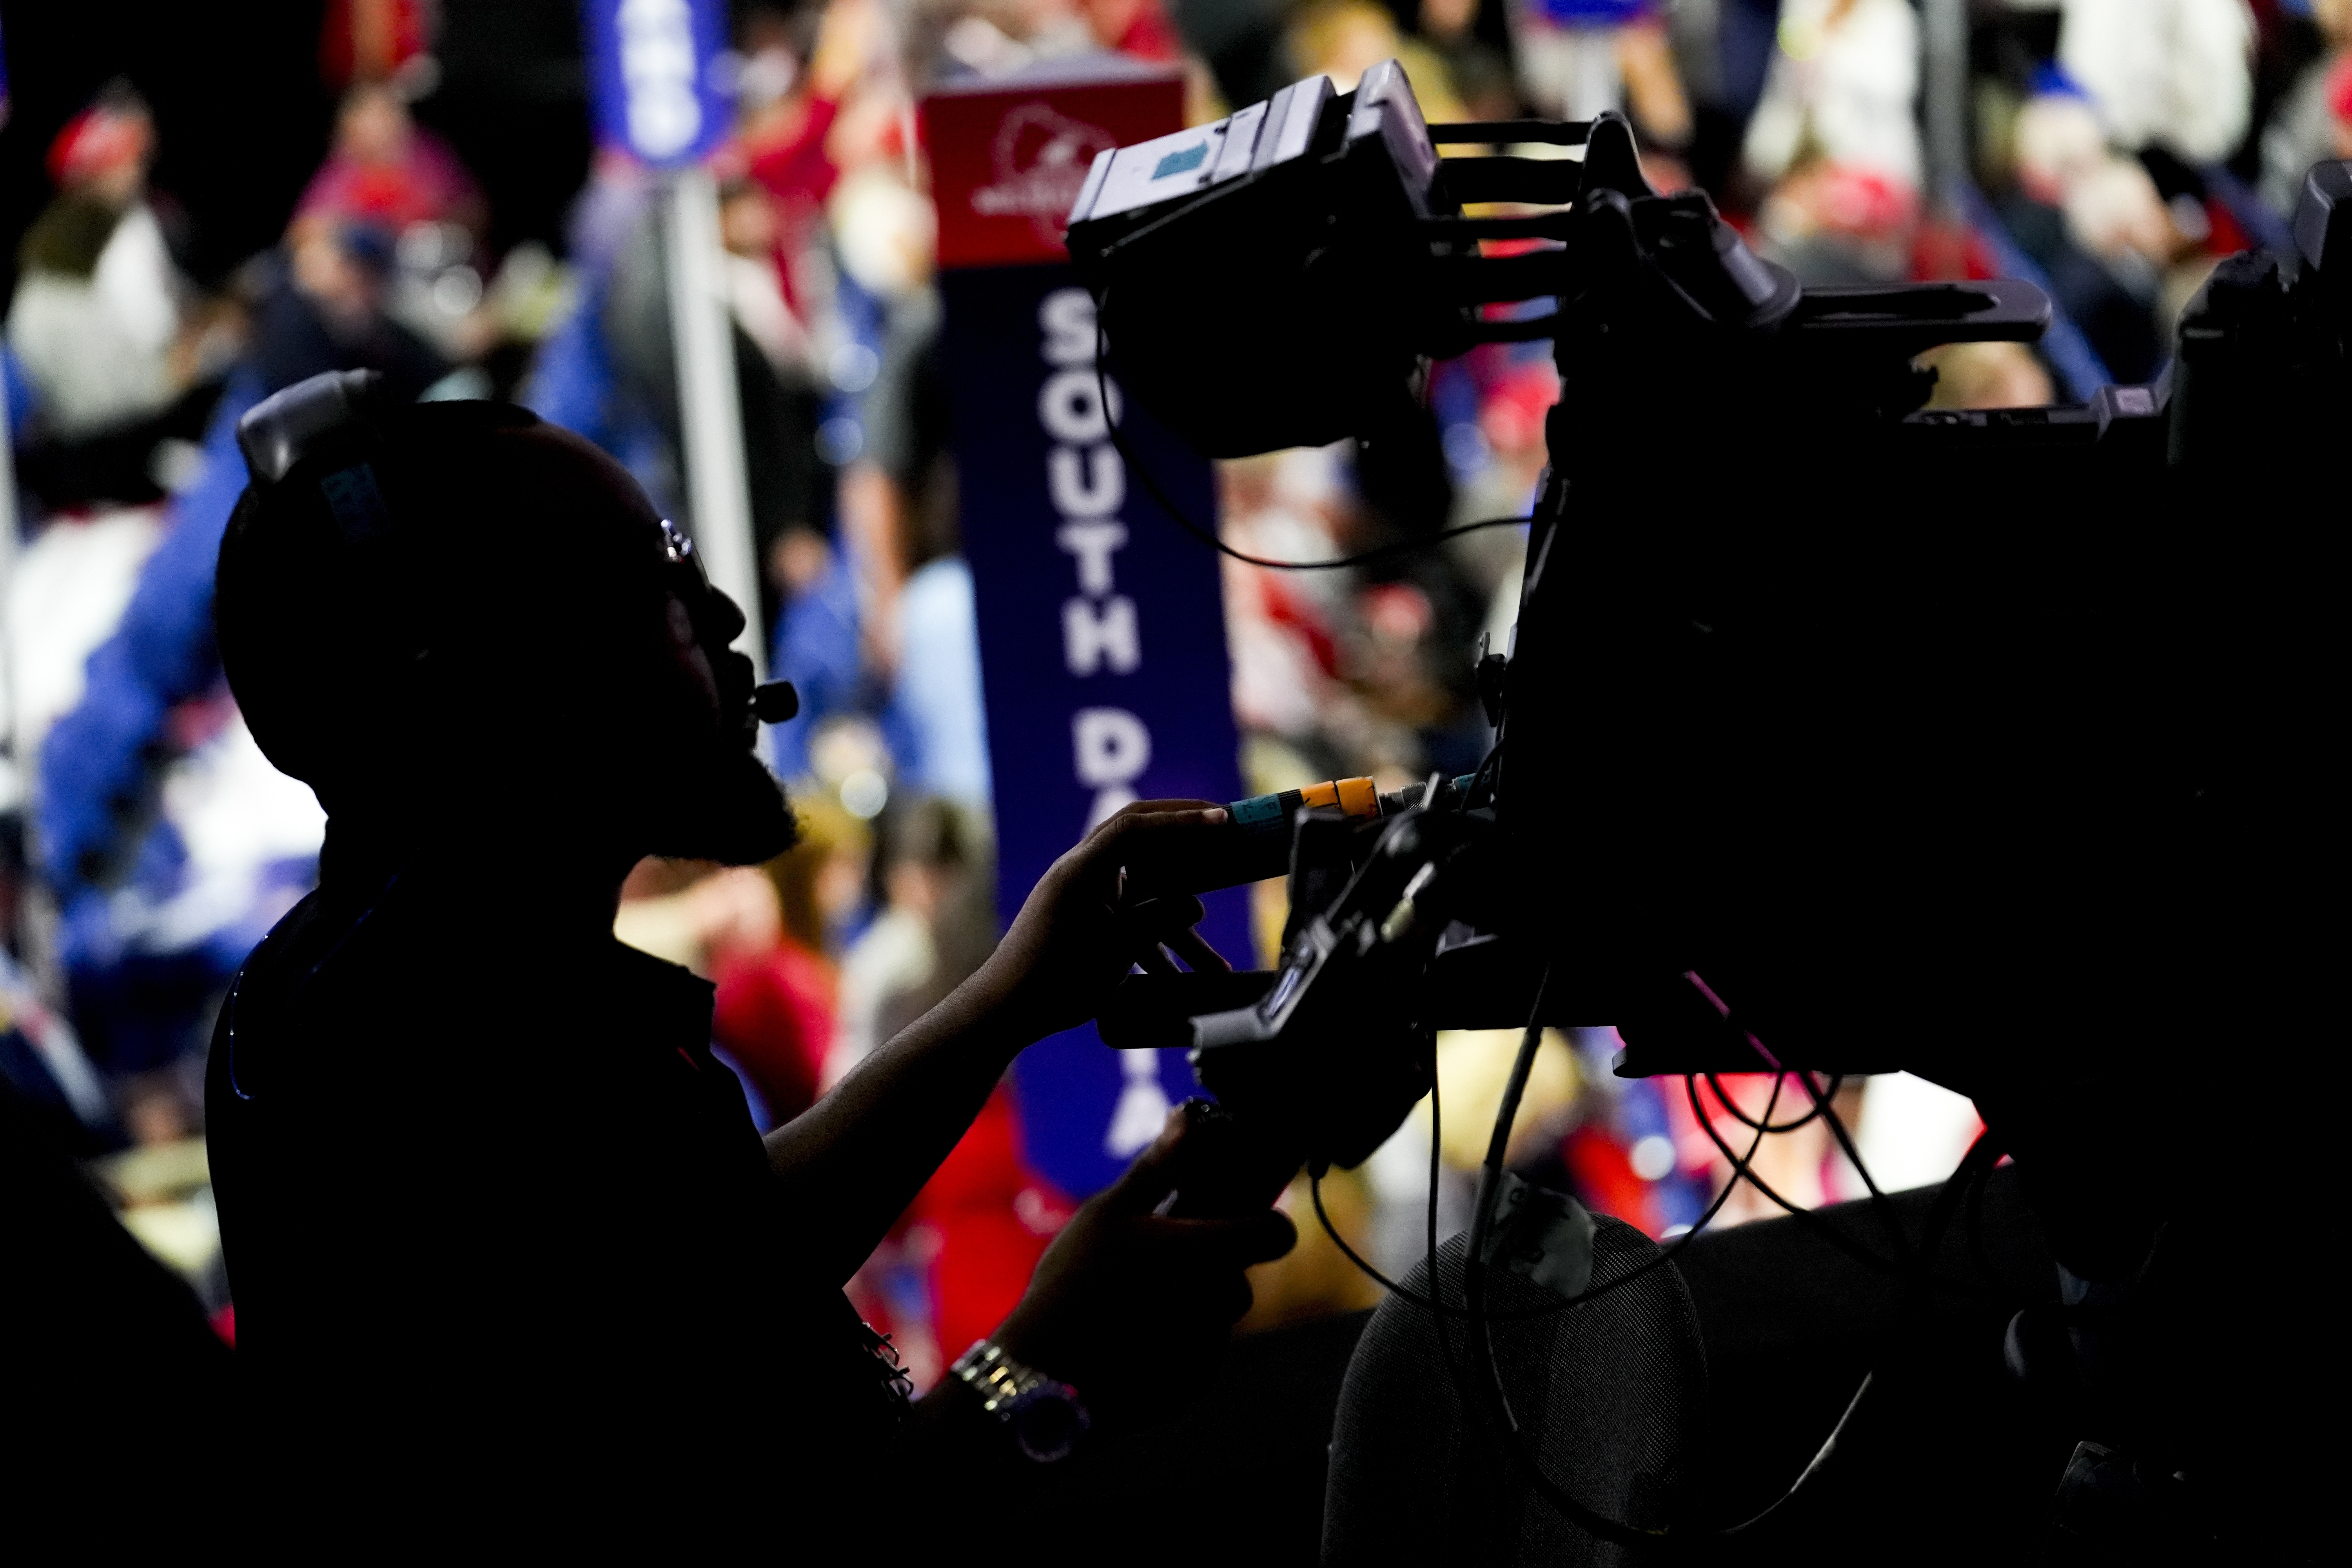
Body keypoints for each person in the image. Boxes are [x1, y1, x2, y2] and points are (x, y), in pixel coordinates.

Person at [205, 374, 1291, 1544]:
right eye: (652, 581)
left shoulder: (375, 994)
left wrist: (1013, 997)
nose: (721, 613)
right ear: (488, 689)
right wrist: (1042, 1362)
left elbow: (701, 1266)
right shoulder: (442, 1070)